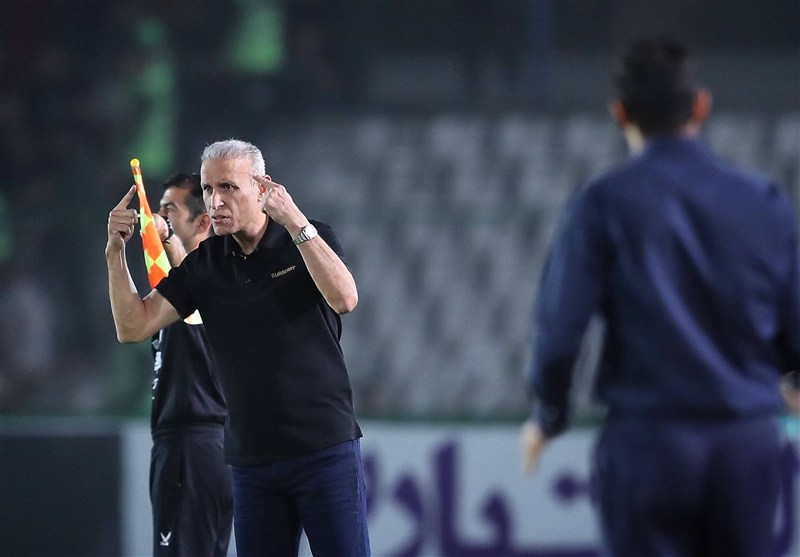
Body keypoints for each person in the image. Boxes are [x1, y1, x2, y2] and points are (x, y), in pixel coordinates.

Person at [520, 37, 800, 557]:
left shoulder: (602, 203)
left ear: (620, 112)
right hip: (747, 443)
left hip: (649, 444)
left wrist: (549, 415)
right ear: (701, 106)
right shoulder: (764, 201)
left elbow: (559, 334)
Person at [106, 139, 369, 557]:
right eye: (208, 189)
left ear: (262, 188)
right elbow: (133, 326)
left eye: (228, 187)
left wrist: (296, 221)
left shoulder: (305, 239)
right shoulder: (205, 264)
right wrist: (115, 253)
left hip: (322, 450)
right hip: (251, 465)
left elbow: (345, 299)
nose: (215, 201)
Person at [146, 173, 232, 557]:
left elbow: (197, 304)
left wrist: (167, 239)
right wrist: (114, 251)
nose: (159, 217)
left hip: (192, 445)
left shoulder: (213, 277)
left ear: (202, 222)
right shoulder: (170, 286)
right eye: (159, 209)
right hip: (196, 446)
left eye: (170, 211)